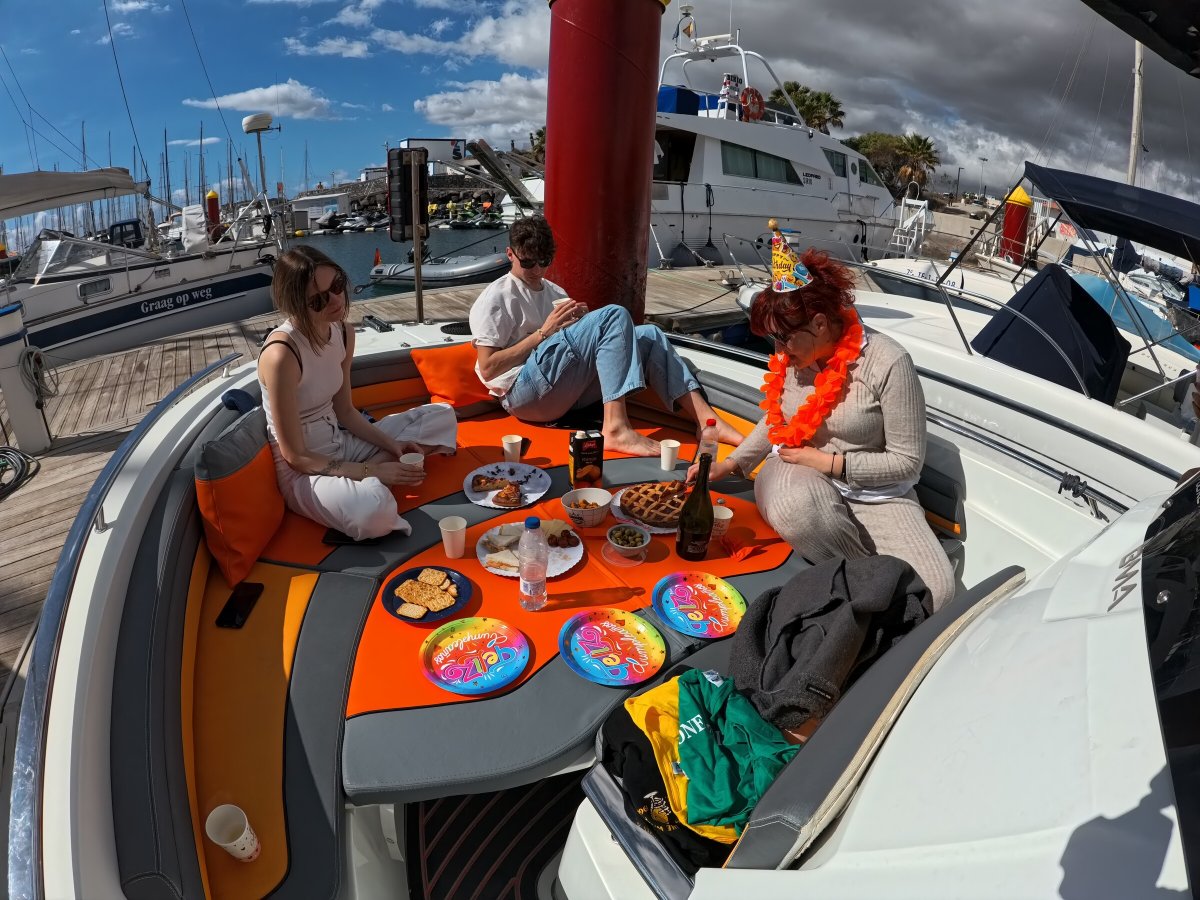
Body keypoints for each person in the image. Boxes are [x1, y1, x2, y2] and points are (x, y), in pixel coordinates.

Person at [692, 230, 955, 610]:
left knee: (940, 591)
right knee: (798, 508)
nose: (778, 351)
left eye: (784, 339)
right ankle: (874, 582)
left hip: (876, 495)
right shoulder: (794, 361)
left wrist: (831, 463)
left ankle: (865, 588)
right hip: (797, 475)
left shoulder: (888, 363)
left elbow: (907, 462)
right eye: (775, 341)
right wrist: (733, 464)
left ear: (818, 323)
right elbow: (777, 420)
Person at [468, 216, 743, 456]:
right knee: (613, 314)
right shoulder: (498, 296)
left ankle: (707, 422)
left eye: (544, 261)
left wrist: (582, 324)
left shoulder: (554, 292)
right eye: (528, 262)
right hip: (523, 396)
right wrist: (543, 333)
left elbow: (586, 351)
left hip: (563, 393)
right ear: (510, 254)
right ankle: (616, 428)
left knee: (649, 334)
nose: (537, 270)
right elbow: (489, 368)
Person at [258, 246, 457, 540]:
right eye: (318, 300)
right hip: (304, 470)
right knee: (371, 512)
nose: (336, 300)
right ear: (297, 304)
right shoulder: (282, 355)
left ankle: (380, 468)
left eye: (337, 285)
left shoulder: (342, 331)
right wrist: (371, 471)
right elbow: (295, 456)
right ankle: (375, 477)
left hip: (341, 441)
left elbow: (346, 412)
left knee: (443, 415)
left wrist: (394, 444)